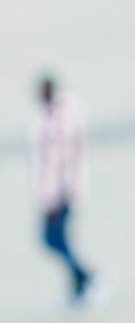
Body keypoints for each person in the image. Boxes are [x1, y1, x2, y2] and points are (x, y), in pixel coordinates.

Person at [28, 76, 99, 306]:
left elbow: (61, 162)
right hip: (56, 193)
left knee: (54, 239)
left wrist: (57, 197)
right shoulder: (51, 116)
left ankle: (85, 278)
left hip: (60, 194)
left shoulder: (60, 119)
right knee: (57, 240)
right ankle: (80, 281)